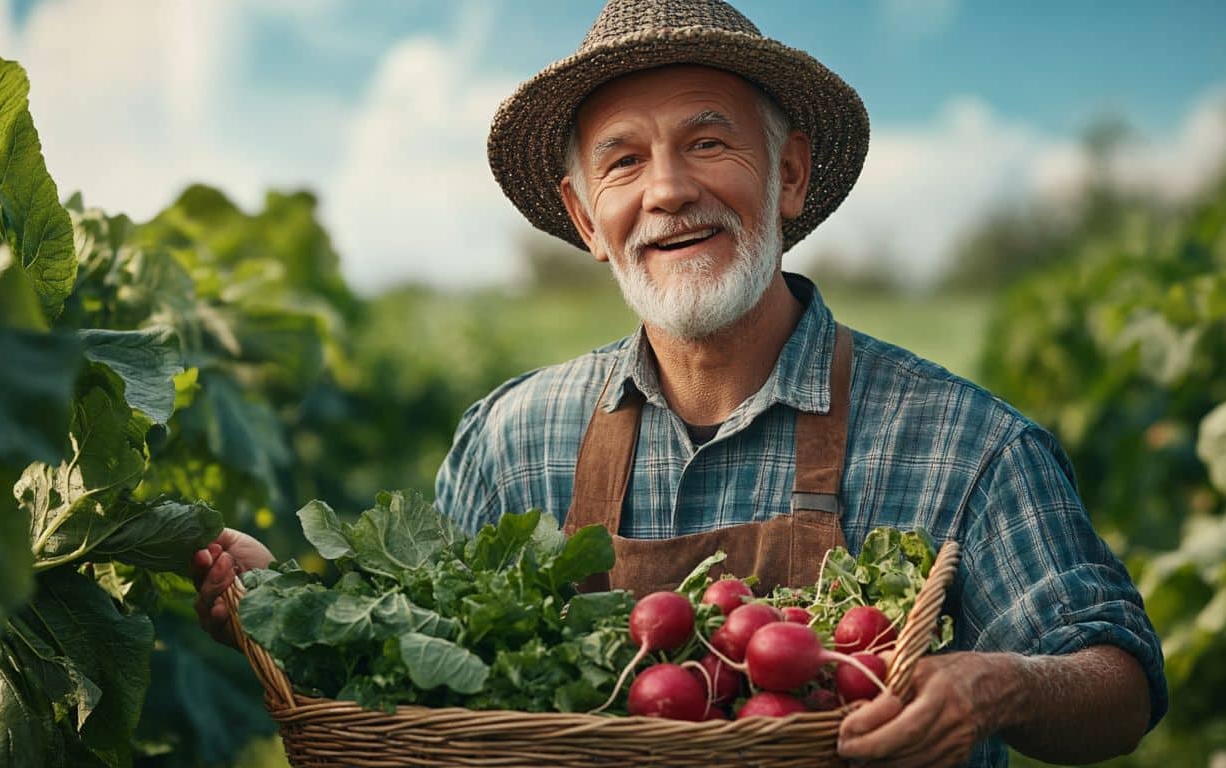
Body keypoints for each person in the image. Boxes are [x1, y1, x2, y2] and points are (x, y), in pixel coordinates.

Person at [194, 1, 1167, 765]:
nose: (667, 191)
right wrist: (285, 603)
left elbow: (1117, 685)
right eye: (624, 162)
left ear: (788, 175)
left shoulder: (967, 440)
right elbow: (428, 669)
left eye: (709, 143)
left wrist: (997, 686)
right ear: (585, 217)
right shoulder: (510, 438)